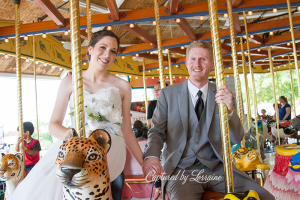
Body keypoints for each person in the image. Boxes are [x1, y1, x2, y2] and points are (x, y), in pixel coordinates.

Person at [11, 30, 144, 200]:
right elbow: (54, 124)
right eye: (102, 47)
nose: (107, 54)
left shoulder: (123, 86)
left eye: (113, 51)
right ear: (90, 49)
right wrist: (76, 139)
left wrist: (143, 163)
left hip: (108, 153)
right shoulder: (70, 82)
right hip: (75, 148)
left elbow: (126, 130)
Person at [142, 41, 275, 200]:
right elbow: (156, 131)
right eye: (193, 59)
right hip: (181, 171)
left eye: (203, 59)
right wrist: (151, 156)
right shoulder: (167, 95)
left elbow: (237, 138)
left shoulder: (222, 93)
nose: (197, 64)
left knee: (265, 196)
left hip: (217, 169)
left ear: (212, 64)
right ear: (186, 63)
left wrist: (230, 111)